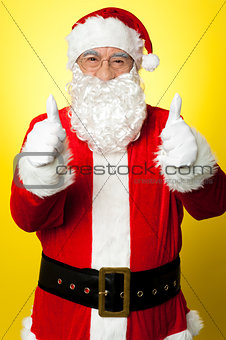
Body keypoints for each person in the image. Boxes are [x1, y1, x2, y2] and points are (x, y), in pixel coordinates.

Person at [10, 7, 226, 340]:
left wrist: (195, 162)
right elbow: (26, 220)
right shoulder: (49, 130)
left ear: (135, 67)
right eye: (92, 59)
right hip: (67, 319)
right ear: (76, 66)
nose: (105, 74)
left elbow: (212, 207)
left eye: (119, 60)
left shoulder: (168, 127)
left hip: (154, 320)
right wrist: (38, 169)